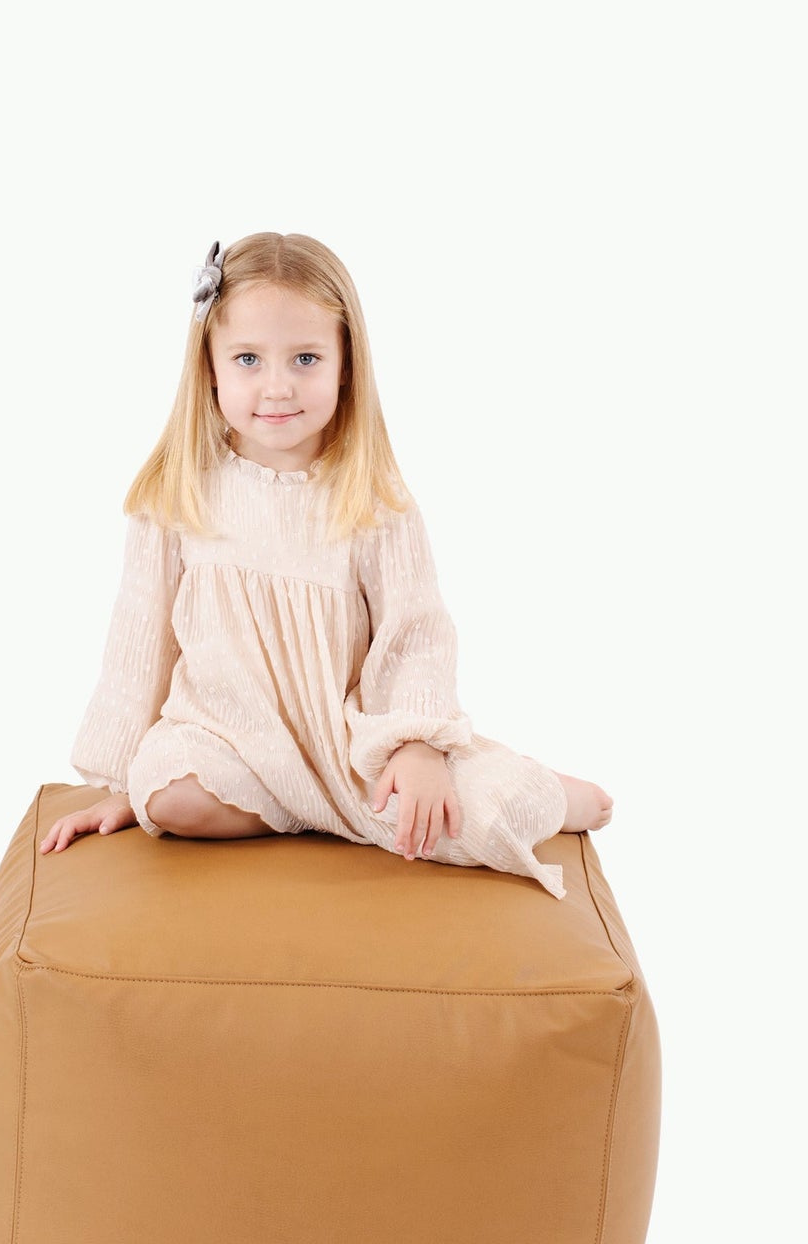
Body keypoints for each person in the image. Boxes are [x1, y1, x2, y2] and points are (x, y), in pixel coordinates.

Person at [40, 232, 612, 899]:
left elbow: (417, 632)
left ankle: (543, 791)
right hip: (225, 737)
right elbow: (139, 638)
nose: (276, 386)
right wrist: (119, 784)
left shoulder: (371, 497)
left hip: (350, 746)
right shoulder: (178, 491)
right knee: (168, 792)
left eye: (305, 358)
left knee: (469, 818)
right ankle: (301, 810)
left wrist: (416, 746)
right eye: (248, 358)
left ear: (344, 365)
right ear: (211, 367)